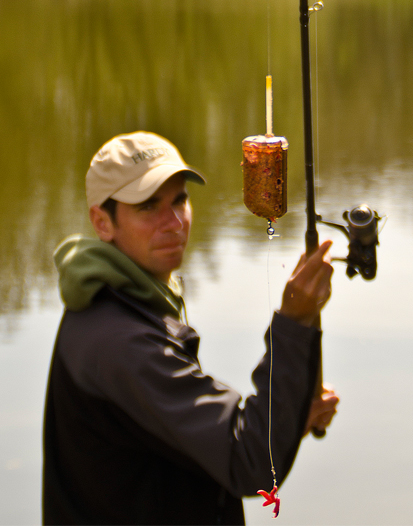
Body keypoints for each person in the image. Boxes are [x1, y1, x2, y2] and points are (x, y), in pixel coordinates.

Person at [43, 131, 339, 524]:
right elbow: (249, 460)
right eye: (148, 206)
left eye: (179, 200)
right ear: (102, 221)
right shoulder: (120, 343)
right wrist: (295, 321)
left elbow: (185, 445)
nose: (174, 222)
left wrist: (288, 412)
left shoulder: (121, 302)